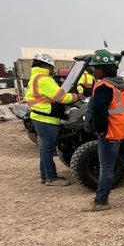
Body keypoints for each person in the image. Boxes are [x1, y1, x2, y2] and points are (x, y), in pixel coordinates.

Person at [83, 49, 124, 211]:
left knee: (107, 169)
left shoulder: (103, 86)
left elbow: (100, 113)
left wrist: (100, 131)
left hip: (111, 134)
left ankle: (101, 201)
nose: (93, 71)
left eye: (96, 68)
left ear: (104, 69)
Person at [24, 53, 80, 186]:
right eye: (50, 66)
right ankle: (51, 178)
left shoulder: (36, 77)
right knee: (47, 149)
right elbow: (62, 97)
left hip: (40, 117)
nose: (51, 69)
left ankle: (45, 176)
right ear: (45, 65)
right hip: (46, 118)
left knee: (45, 148)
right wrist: (76, 97)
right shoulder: (44, 79)